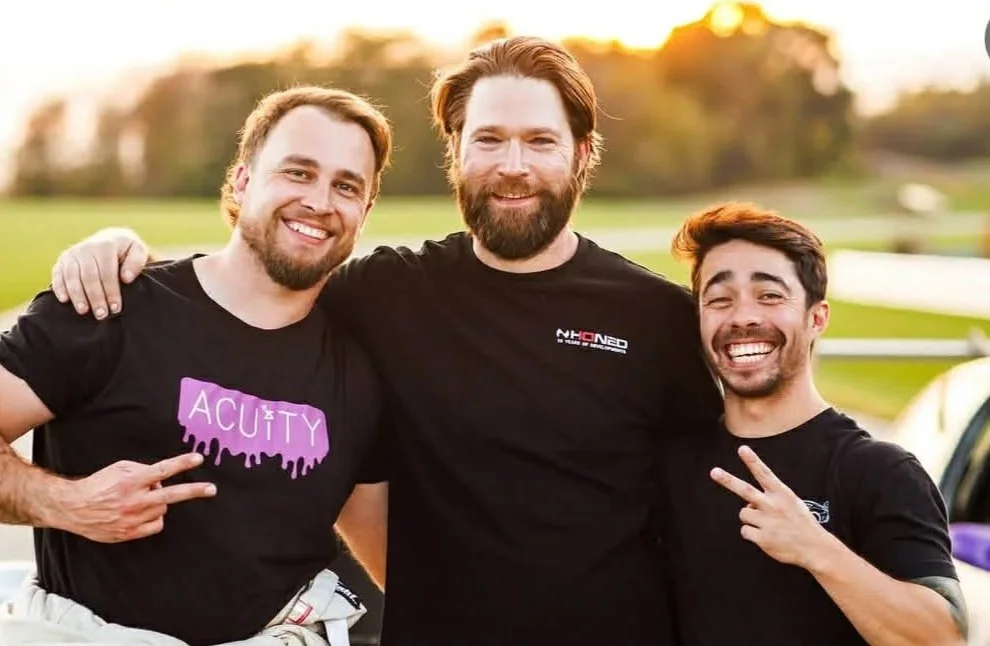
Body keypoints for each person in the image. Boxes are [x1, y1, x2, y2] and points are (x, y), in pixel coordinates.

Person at [44, 36, 724, 646]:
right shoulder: (383, 294)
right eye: (488, 139)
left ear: (581, 153)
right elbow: (253, 277)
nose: (512, 165)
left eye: (539, 141)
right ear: (456, 151)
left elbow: (711, 508)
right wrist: (121, 253)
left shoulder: (657, 318)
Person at [0, 85, 394, 645]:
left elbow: (392, 557)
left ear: (365, 210)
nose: (320, 201)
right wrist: (66, 504)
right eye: (298, 173)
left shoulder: (359, 370)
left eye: (346, 186)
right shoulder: (112, 306)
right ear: (243, 180)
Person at [659, 201, 968, 645]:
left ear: (816, 318)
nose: (743, 317)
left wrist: (814, 548)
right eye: (720, 300)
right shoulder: (670, 464)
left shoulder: (879, 471)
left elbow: (943, 638)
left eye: (769, 296)